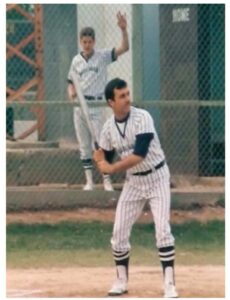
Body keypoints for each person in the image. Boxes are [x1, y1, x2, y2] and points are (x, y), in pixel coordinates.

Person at [93, 78, 178, 298]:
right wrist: (100, 160)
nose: (127, 99)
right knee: (119, 231)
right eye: (121, 96)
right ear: (111, 102)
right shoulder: (108, 128)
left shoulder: (143, 118)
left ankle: (169, 284)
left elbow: (139, 155)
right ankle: (121, 281)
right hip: (134, 183)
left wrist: (111, 168)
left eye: (127, 94)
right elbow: (106, 155)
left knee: (162, 230)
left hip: (157, 176)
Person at [67, 12, 129, 191]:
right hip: (80, 106)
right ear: (81, 42)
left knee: (99, 143)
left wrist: (123, 30)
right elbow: (71, 81)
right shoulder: (76, 60)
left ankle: (106, 180)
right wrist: (71, 93)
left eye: (90, 42)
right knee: (84, 145)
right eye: (84, 42)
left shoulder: (102, 56)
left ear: (94, 41)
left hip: (95, 104)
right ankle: (89, 182)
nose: (87, 45)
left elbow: (124, 48)